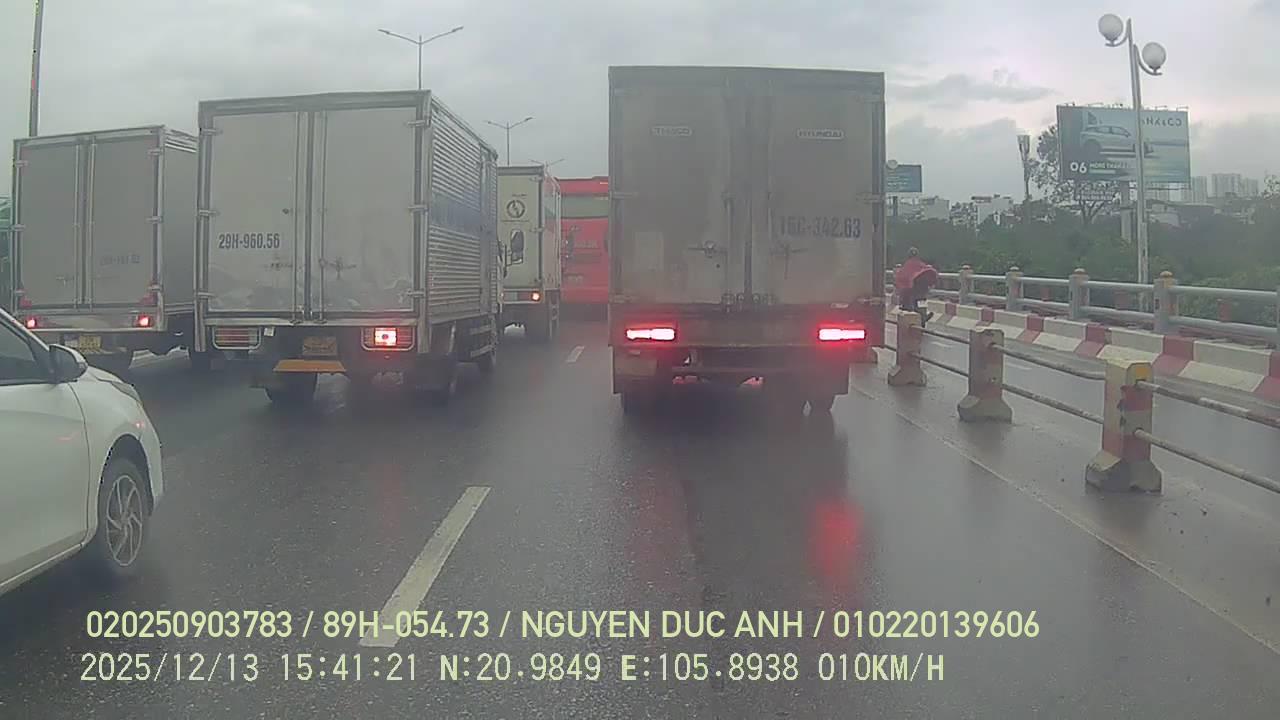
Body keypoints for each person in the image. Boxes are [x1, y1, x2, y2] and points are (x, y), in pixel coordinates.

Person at [894, 247, 938, 326]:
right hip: (922, 290)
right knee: (919, 301)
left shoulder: (907, 265)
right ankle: (923, 315)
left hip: (913, 289)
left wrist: (899, 287)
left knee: (906, 301)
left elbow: (901, 278)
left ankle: (913, 313)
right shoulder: (920, 264)